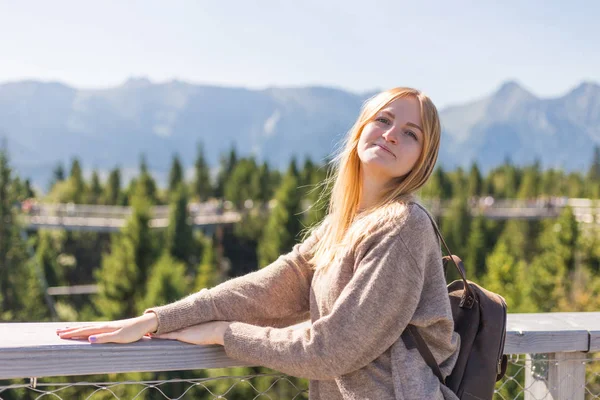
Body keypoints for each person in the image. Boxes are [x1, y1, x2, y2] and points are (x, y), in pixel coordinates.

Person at [56, 87, 460, 400]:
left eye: (410, 134)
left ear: (421, 160)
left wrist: (224, 333)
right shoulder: (343, 226)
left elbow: (330, 350)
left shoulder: (403, 227)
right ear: (360, 130)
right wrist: (155, 320)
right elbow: (264, 290)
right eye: (383, 120)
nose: (391, 135)